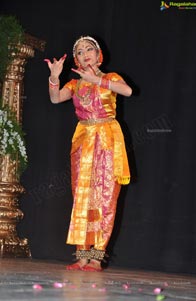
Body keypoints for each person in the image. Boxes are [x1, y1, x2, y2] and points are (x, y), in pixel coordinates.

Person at [44, 35, 132, 271]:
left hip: (106, 140)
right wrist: (54, 77)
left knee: (104, 196)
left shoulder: (110, 78)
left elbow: (128, 91)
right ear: (77, 60)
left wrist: (98, 81)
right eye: (80, 51)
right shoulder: (75, 84)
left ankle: (96, 256)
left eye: (89, 49)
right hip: (83, 143)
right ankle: (82, 255)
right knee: (82, 196)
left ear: (98, 54)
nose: (85, 53)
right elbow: (55, 99)